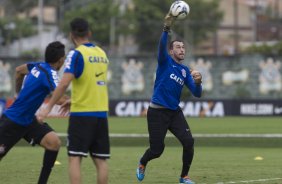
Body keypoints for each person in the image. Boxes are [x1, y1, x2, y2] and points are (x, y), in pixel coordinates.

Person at [38, 17, 110, 184]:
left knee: (75, 158)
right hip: (101, 113)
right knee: (101, 161)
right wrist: (73, 100)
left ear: (71, 35)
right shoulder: (101, 53)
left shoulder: (76, 54)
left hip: (82, 114)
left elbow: (64, 83)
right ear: (89, 33)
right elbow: (93, 81)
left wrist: (47, 108)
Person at [136, 13, 202, 184]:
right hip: (157, 112)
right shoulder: (164, 61)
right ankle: (143, 162)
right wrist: (166, 28)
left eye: (183, 47)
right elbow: (161, 47)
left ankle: (184, 177)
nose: (182, 50)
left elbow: (197, 93)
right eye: (178, 47)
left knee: (189, 142)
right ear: (171, 51)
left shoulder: (185, 70)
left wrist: (199, 82)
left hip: (174, 112)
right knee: (157, 150)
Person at [0, 41, 66, 184]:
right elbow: (59, 99)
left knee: (53, 143)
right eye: (64, 58)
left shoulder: (37, 65)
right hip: (13, 121)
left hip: (29, 120)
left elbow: (18, 71)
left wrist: (17, 93)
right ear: (61, 60)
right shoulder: (51, 73)